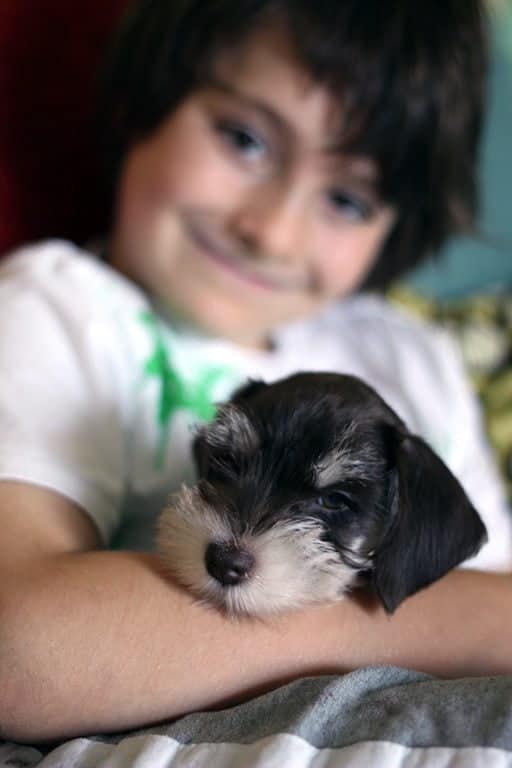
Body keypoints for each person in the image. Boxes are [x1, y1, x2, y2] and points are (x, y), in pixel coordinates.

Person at [0, 0, 511, 745]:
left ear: (400, 226)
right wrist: (379, 615)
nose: (269, 229)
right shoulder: (58, 308)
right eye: (243, 139)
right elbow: (20, 652)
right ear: (151, 98)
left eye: (346, 197)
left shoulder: (410, 354)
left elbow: (493, 599)